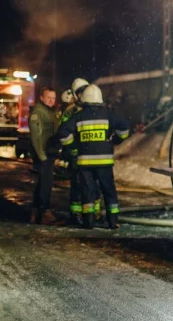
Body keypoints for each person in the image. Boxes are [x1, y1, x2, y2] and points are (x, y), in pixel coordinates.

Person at [56, 85, 129, 230]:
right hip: (104, 163)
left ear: (84, 99)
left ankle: (88, 222)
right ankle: (112, 222)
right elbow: (125, 127)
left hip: (85, 163)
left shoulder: (79, 116)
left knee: (87, 191)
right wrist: (116, 140)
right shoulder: (108, 114)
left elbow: (63, 133)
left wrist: (74, 145)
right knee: (108, 190)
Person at [61, 78, 90, 223]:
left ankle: (91, 214)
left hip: (90, 155)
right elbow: (64, 132)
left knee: (91, 186)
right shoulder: (70, 111)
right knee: (77, 185)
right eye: (80, 92)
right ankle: (76, 214)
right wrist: (72, 150)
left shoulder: (93, 109)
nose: (82, 95)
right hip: (77, 155)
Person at [28, 87, 59, 224]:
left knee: (43, 182)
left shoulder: (49, 112)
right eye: (48, 97)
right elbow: (36, 137)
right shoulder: (38, 112)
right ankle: (44, 212)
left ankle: (35, 213)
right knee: (46, 183)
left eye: (53, 98)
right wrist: (42, 156)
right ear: (41, 98)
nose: (51, 100)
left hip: (48, 153)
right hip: (43, 154)